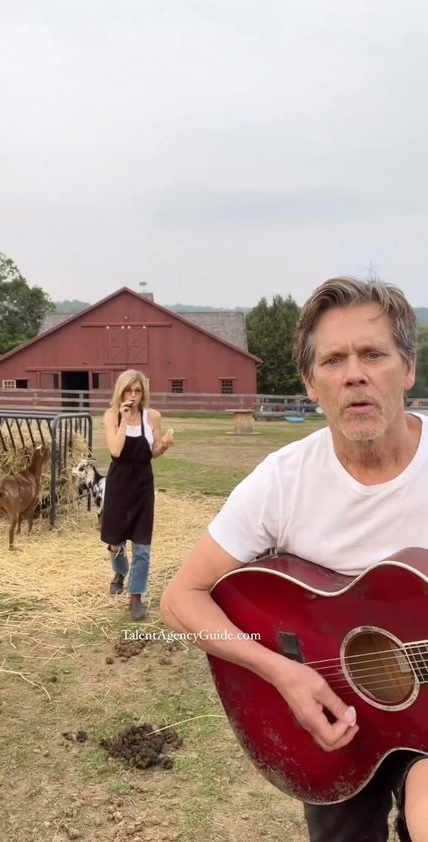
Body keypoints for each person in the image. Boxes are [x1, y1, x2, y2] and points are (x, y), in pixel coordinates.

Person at [160, 277, 428, 842]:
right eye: (333, 360)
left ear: (407, 369)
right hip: (332, 721)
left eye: (374, 354)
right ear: (311, 383)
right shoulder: (283, 480)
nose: (354, 373)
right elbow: (180, 598)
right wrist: (284, 674)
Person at [101, 369, 173, 620]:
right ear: (120, 392)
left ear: (144, 393)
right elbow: (116, 450)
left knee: (142, 546)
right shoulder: (111, 416)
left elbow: (151, 452)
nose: (133, 395)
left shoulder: (152, 416)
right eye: (128, 390)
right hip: (119, 484)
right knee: (115, 543)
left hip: (142, 483)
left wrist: (163, 445)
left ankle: (136, 596)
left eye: (138, 390)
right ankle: (120, 572)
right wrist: (123, 420)